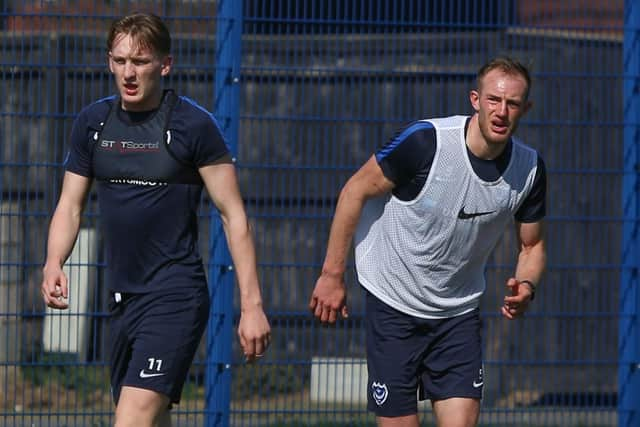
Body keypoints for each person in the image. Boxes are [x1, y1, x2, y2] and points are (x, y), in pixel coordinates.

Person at [40, 12, 271, 427]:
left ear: (165, 64)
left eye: (141, 62)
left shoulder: (193, 125)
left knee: (131, 420)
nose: (129, 73)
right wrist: (54, 261)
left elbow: (233, 215)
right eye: (120, 60)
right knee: (151, 418)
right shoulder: (93, 123)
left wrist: (251, 305)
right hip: (121, 300)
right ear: (109, 61)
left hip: (175, 297)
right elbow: (70, 205)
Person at [309, 57, 546, 427]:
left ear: (525, 109)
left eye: (512, 103)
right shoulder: (426, 142)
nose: (501, 111)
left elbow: (531, 247)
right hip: (394, 304)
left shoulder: (529, 169)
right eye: (493, 100)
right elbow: (354, 191)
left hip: (457, 314)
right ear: (475, 100)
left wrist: (527, 285)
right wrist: (332, 275)